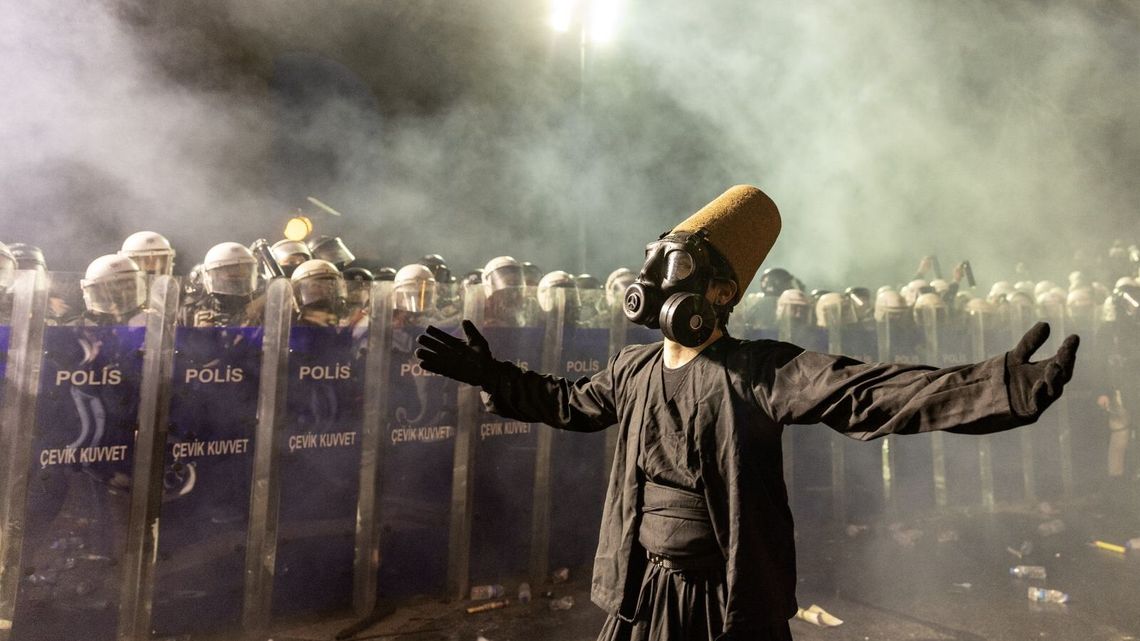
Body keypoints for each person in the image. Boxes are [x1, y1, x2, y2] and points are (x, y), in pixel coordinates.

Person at [414, 185, 1079, 641]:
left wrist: (998, 388)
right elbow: (565, 401)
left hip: (721, 602)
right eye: (655, 260)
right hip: (642, 594)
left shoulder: (760, 372)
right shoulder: (634, 371)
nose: (653, 279)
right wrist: (491, 374)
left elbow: (871, 391)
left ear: (720, 291)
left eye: (673, 265)